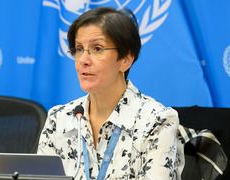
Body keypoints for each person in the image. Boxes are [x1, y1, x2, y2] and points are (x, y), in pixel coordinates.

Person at [37, 7, 184, 180]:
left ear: (125, 60)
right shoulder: (58, 118)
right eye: (79, 49)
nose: (83, 60)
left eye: (97, 48)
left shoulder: (157, 122)